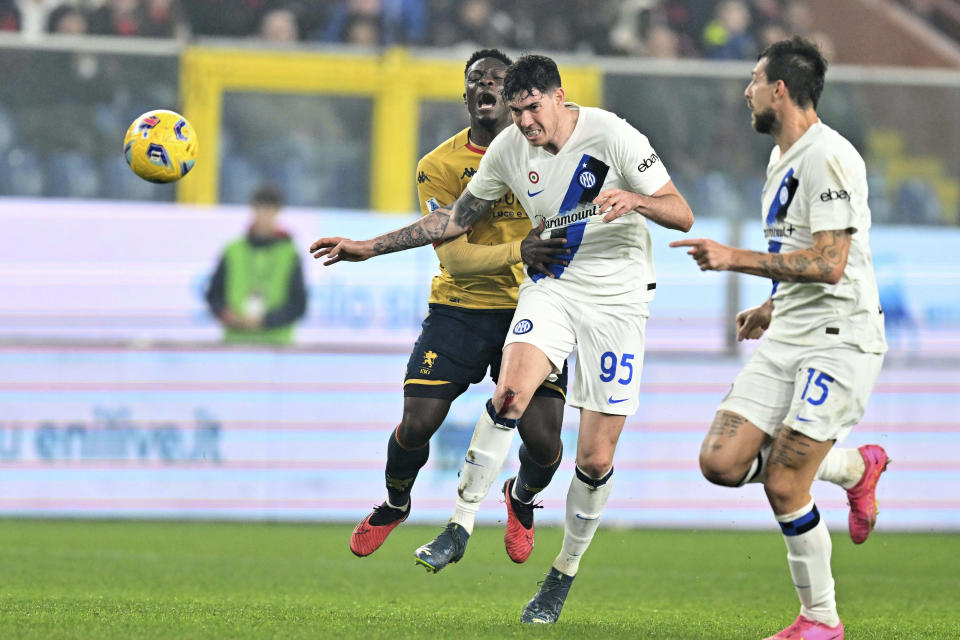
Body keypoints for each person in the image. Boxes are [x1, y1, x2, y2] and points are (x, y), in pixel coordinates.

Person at [310, 53, 694, 624]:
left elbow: (682, 214)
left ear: (559, 96)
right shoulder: (507, 149)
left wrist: (637, 200)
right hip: (552, 288)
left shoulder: (613, 135)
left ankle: (560, 574)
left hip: (619, 300)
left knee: (591, 458)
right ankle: (459, 524)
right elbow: (454, 222)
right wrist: (369, 247)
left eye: (533, 109)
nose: (526, 123)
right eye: (517, 112)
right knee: (508, 397)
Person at [670, 37, 889, 640]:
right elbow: (802, 255)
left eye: (754, 79)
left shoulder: (828, 157)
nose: (747, 90)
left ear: (780, 90)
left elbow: (830, 262)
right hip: (790, 332)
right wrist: (771, 306)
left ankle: (820, 621)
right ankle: (852, 469)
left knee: (786, 480)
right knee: (720, 461)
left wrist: (732, 259)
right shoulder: (783, 157)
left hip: (839, 338)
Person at [346, 48, 569, 572]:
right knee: (416, 423)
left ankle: (520, 496)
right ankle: (397, 502)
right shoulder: (439, 166)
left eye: (497, 78)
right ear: (465, 93)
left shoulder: (545, 149)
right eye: (476, 79)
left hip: (533, 309)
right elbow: (458, 258)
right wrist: (521, 249)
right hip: (460, 309)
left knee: (544, 440)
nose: (486, 84)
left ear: (515, 95)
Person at [205, 184, 307, 345]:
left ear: (277, 213)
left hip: (277, 346)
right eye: (260, 209)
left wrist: (266, 321)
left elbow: (298, 304)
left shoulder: (290, 253)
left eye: (269, 210)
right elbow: (214, 296)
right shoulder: (232, 250)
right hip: (235, 344)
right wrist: (229, 316)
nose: (264, 216)